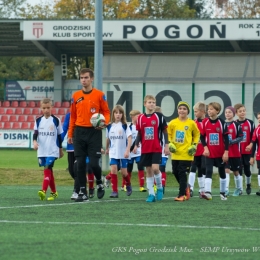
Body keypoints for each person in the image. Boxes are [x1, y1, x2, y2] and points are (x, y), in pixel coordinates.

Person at [68, 68, 110, 202]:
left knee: (94, 164)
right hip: (79, 132)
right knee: (79, 164)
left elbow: (107, 112)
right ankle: (82, 192)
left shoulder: (99, 95)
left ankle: (99, 181)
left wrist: (104, 123)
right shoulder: (75, 96)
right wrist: (70, 133)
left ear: (91, 79)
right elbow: (72, 116)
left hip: (94, 132)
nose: (83, 80)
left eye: (86, 77)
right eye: (81, 78)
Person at [133, 95, 170, 203]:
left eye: (153, 102)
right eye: (149, 102)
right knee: (148, 170)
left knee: (155, 168)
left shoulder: (159, 116)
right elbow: (139, 133)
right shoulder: (140, 118)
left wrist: (166, 145)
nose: (152, 104)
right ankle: (151, 194)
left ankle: (159, 187)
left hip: (156, 147)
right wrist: (136, 145)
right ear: (145, 104)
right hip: (145, 148)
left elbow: (165, 131)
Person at [168, 101, 200, 201]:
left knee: (182, 173)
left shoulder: (191, 123)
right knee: (175, 172)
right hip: (175, 153)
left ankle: (182, 195)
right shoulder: (173, 122)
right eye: (180, 108)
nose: (182, 110)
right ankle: (187, 187)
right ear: (177, 110)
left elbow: (197, 134)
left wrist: (194, 145)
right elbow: (168, 134)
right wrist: (170, 143)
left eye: (184, 109)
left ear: (188, 111)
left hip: (187, 153)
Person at [33, 98, 64, 201]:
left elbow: (60, 136)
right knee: (49, 171)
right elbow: (35, 133)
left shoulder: (56, 120)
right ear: (41, 108)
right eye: (44, 108)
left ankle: (43, 191)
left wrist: (60, 149)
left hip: (52, 150)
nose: (46, 110)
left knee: (47, 169)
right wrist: (34, 142)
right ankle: (54, 192)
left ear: (52, 107)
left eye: (48, 108)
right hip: (42, 151)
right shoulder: (38, 120)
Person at [62, 111, 95, 200]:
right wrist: (58, 141)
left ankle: (76, 191)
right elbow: (65, 129)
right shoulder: (69, 115)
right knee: (72, 171)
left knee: (77, 168)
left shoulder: (86, 114)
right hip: (70, 146)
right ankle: (82, 185)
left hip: (82, 146)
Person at [200, 102, 229, 201]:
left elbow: (226, 138)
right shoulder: (205, 122)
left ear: (217, 111)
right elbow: (202, 136)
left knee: (222, 171)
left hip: (220, 153)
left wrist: (226, 152)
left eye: (211, 109)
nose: (209, 111)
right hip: (209, 153)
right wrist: (205, 147)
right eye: (208, 109)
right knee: (208, 170)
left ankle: (223, 192)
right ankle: (208, 192)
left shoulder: (222, 123)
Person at [105, 105, 132, 198]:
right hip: (113, 152)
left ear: (122, 114)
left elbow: (129, 137)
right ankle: (114, 191)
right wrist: (107, 148)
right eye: (116, 113)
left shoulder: (125, 126)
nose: (118, 115)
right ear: (113, 114)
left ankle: (128, 184)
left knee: (124, 173)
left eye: (120, 113)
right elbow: (108, 138)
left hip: (123, 153)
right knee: (113, 170)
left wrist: (128, 150)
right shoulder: (109, 126)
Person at [120, 109, 147, 192]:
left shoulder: (142, 127)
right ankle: (124, 185)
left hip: (139, 151)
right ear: (132, 117)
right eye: (137, 116)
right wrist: (129, 149)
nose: (139, 118)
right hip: (130, 152)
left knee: (140, 167)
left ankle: (141, 186)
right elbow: (127, 139)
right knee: (128, 169)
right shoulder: (129, 127)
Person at [234, 103, 255, 195]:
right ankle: (240, 188)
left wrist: (250, 146)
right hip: (237, 151)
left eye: (244, 111)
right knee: (239, 170)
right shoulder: (234, 123)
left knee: (247, 169)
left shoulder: (250, 123)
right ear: (236, 113)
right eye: (240, 111)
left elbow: (253, 138)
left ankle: (248, 185)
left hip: (247, 151)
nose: (242, 113)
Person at [188, 101, 206, 198]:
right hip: (195, 150)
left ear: (203, 111)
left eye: (196, 111)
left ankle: (202, 189)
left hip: (205, 150)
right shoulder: (193, 123)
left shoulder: (207, 122)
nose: (195, 113)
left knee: (202, 168)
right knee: (193, 168)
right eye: (194, 112)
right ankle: (190, 188)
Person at [224, 106, 243, 196]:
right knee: (226, 170)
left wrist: (232, 141)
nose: (228, 114)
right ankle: (226, 189)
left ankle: (239, 189)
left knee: (236, 171)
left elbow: (241, 137)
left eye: (229, 112)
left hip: (235, 152)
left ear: (233, 114)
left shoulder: (237, 125)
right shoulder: (223, 124)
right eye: (226, 112)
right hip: (226, 152)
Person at [154, 106, 168, 194]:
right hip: (154, 150)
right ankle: (155, 185)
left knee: (162, 168)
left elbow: (167, 136)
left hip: (162, 151)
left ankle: (162, 186)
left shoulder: (164, 125)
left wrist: (167, 146)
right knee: (154, 169)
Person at [249, 112, 260, 196]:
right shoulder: (257, 129)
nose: (259, 119)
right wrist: (252, 156)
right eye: (258, 118)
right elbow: (253, 142)